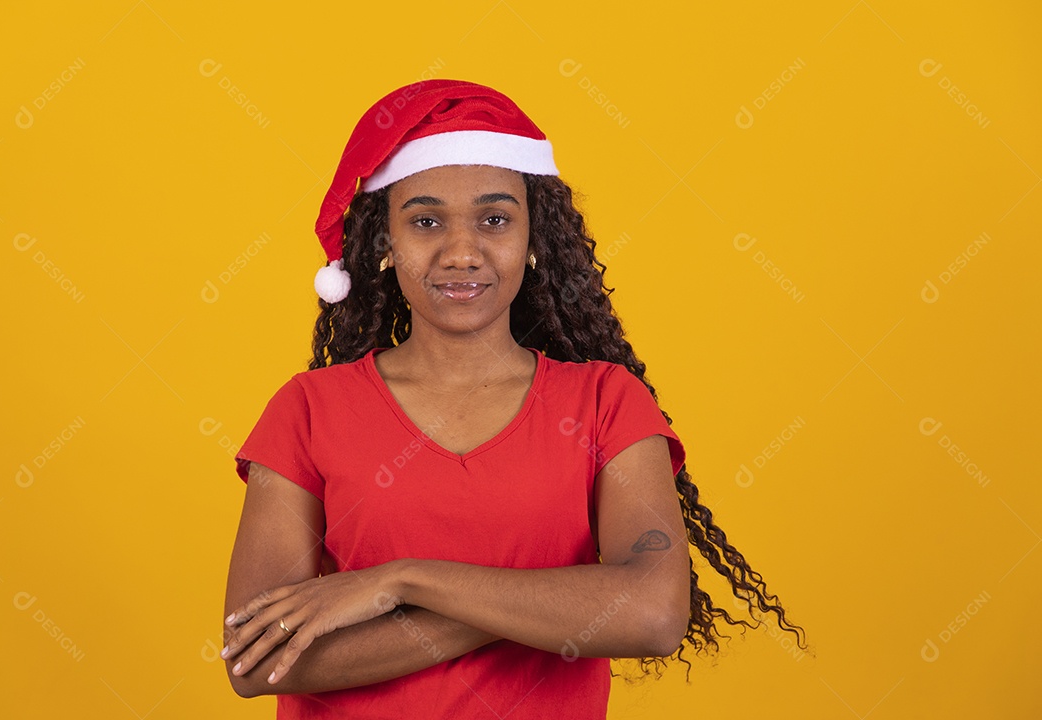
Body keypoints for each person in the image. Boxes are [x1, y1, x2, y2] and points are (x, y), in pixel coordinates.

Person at [220, 79, 807, 719]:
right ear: (384, 241)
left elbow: (654, 614)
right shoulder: (308, 409)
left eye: (495, 219)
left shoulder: (606, 403)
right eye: (424, 221)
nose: (462, 252)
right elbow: (257, 657)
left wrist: (400, 582)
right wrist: (545, 606)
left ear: (534, 240)